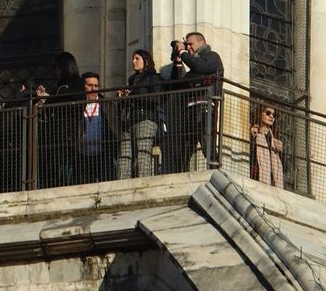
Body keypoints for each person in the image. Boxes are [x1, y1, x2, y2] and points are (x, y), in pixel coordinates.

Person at [165, 32, 223, 172]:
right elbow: (178, 84)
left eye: (191, 44)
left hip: (205, 107)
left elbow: (200, 67)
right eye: (187, 45)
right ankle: (181, 173)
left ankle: (215, 171)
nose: (188, 48)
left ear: (202, 42)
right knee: (185, 146)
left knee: (206, 140)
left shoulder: (212, 57)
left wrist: (183, 52)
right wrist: (178, 62)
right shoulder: (193, 68)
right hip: (189, 111)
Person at [115, 49, 164, 179]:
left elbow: (156, 98)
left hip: (145, 119)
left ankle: (143, 181)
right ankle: (122, 183)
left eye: (137, 58)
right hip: (129, 120)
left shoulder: (153, 77)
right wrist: (121, 98)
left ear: (146, 60)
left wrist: (132, 95)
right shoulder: (132, 80)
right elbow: (126, 104)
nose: (133, 61)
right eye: (133, 58)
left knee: (142, 152)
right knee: (124, 155)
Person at [40, 53, 83, 188]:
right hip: (54, 139)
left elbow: (75, 101)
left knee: (66, 173)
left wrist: (50, 97)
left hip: (70, 138)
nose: (55, 73)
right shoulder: (57, 88)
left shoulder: (77, 85)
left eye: (57, 68)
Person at [77, 72, 117, 183]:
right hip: (83, 157)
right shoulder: (77, 106)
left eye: (96, 86)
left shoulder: (108, 104)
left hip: (104, 156)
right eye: (90, 85)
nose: (93, 89)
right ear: (83, 87)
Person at [249, 103, 285, 188]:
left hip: (273, 180)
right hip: (256, 176)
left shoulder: (275, 136)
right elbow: (249, 152)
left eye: (274, 115)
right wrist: (251, 136)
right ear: (260, 114)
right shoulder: (255, 131)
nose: (272, 116)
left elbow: (285, 166)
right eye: (268, 113)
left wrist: (281, 150)